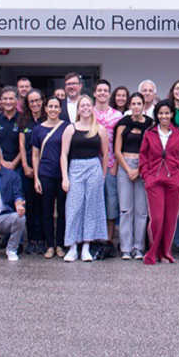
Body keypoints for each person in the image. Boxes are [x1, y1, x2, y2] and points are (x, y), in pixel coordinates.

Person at [139, 100, 179, 265]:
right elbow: (143, 156)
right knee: (157, 218)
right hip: (154, 180)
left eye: (167, 113)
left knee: (170, 219)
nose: (164, 116)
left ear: (172, 114)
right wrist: (146, 175)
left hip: (174, 180)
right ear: (156, 115)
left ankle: (165, 252)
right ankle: (152, 252)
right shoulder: (149, 133)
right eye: (161, 113)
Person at [60, 95, 108, 262]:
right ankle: (72, 246)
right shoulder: (71, 129)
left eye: (88, 105)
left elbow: (105, 154)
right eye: (82, 105)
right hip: (75, 169)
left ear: (92, 107)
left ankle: (86, 246)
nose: (86, 108)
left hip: (93, 168)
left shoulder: (99, 129)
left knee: (91, 208)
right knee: (73, 208)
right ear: (78, 109)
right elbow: (63, 155)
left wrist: (102, 175)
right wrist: (65, 177)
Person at [114, 92, 153, 260]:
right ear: (130, 106)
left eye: (139, 103)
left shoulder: (151, 125)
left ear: (144, 106)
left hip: (144, 167)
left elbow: (153, 150)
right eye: (134, 104)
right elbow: (117, 150)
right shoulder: (123, 124)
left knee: (142, 210)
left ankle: (139, 247)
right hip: (125, 166)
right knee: (125, 209)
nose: (136, 106)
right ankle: (126, 248)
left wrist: (140, 169)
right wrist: (128, 169)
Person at [31, 96, 67, 258]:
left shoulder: (66, 127)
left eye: (56, 107)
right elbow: (35, 155)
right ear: (45, 109)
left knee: (62, 211)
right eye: (50, 106)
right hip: (45, 174)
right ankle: (49, 245)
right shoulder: (38, 129)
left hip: (62, 175)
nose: (53, 109)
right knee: (46, 211)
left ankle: (60, 244)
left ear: (60, 109)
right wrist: (36, 178)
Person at [93, 80, 124, 247]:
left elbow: (121, 143)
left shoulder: (117, 116)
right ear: (94, 93)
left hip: (112, 165)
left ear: (109, 94)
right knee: (94, 203)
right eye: (100, 90)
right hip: (91, 165)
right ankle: (92, 238)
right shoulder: (88, 113)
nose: (103, 93)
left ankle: (108, 240)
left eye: (106, 90)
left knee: (111, 204)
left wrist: (116, 166)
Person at [17, 88, 46, 254]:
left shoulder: (47, 119)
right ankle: (32, 240)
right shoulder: (24, 121)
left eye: (37, 100)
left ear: (42, 101)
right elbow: (21, 146)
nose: (35, 104)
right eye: (31, 101)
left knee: (43, 206)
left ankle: (42, 239)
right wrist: (25, 165)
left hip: (44, 170)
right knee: (30, 205)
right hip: (27, 169)